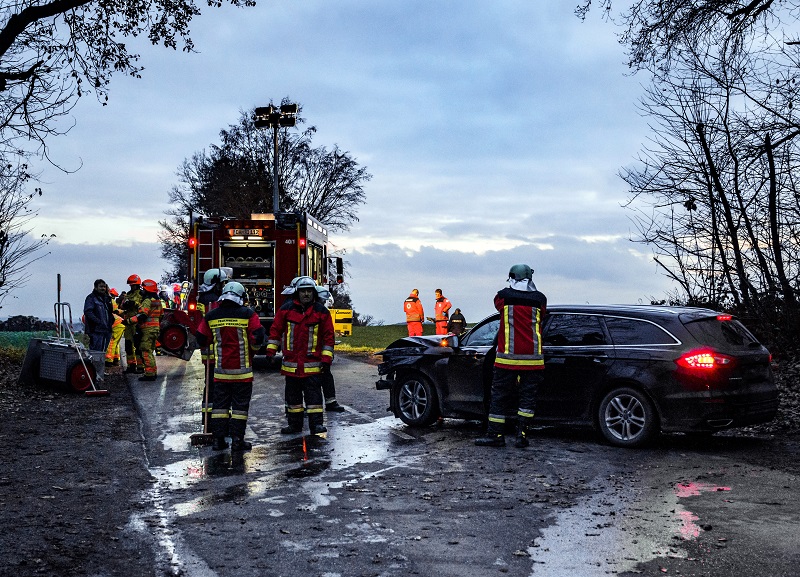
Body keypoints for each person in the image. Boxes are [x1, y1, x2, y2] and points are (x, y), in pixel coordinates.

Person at [475, 264, 547, 449]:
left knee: (499, 397)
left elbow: (498, 303)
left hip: (507, 359)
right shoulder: (540, 299)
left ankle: (495, 435)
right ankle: (522, 435)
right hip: (533, 361)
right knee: (527, 399)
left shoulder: (503, 297)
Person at [196, 281, 265, 452]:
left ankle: (218, 441)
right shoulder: (249, 315)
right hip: (243, 374)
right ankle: (237, 441)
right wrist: (252, 351)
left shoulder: (211, 316)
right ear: (241, 297)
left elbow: (201, 339)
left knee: (220, 407)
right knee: (240, 409)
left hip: (220, 373)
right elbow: (257, 338)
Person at [267, 276, 335, 436]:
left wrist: (326, 359)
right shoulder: (286, 309)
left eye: (309, 291)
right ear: (297, 293)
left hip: (313, 364)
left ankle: (317, 425)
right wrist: (271, 351)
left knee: (314, 398)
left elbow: (328, 337)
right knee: (293, 399)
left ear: (314, 293)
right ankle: (294, 425)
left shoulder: (321, 312)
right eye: (303, 291)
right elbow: (276, 330)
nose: (306, 294)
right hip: (291, 365)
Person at [196, 268, 229, 430]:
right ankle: (216, 423)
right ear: (215, 284)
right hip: (216, 350)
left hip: (207, 350)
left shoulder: (202, 298)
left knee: (209, 385)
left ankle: (207, 419)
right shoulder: (213, 301)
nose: (223, 286)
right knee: (218, 387)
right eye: (222, 283)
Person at [316, 284, 345, 412]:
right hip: (312, 353)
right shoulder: (314, 312)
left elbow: (328, 335)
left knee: (325, 375)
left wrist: (327, 355)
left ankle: (331, 402)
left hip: (321, 351)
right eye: (322, 300)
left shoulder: (322, 312)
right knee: (309, 381)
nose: (323, 303)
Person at [134, 279, 164, 382]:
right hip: (155, 329)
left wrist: (129, 320)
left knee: (145, 351)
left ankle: (150, 374)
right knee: (150, 351)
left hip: (147, 329)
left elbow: (143, 314)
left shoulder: (147, 300)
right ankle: (153, 372)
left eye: (143, 288)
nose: (141, 290)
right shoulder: (158, 301)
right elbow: (162, 315)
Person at [120, 274, 144, 374]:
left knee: (138, 346)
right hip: (128, 323)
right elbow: (122, 305)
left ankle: (140, 366)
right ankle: (131, 365)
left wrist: (134, 304)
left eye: (133, 285)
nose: (131, 287)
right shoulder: (128, 294)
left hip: (137, 322)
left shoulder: (141, 294)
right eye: (130, 285)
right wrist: (124, 304)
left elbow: (143, 306)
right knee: (128, 345)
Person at [83, 279, 113, 353]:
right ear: (95, 287)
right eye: (101, 287)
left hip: (106, 330)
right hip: (96, 330)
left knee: (103, 352)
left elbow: (110, 311)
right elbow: (88, 312)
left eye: (104, 287)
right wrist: (98, 322)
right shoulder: (91, 298)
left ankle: (100, 364)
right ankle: (94, 364)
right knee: (95, 352)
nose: (103, 288)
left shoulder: (106, 299)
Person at [105, 288, 125, 367]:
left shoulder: (109, 301)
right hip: (119, 323)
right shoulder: (111, 301)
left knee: (112, 342)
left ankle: (109, 360)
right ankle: (116, 359)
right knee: (115, 343)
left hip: (117, 324)